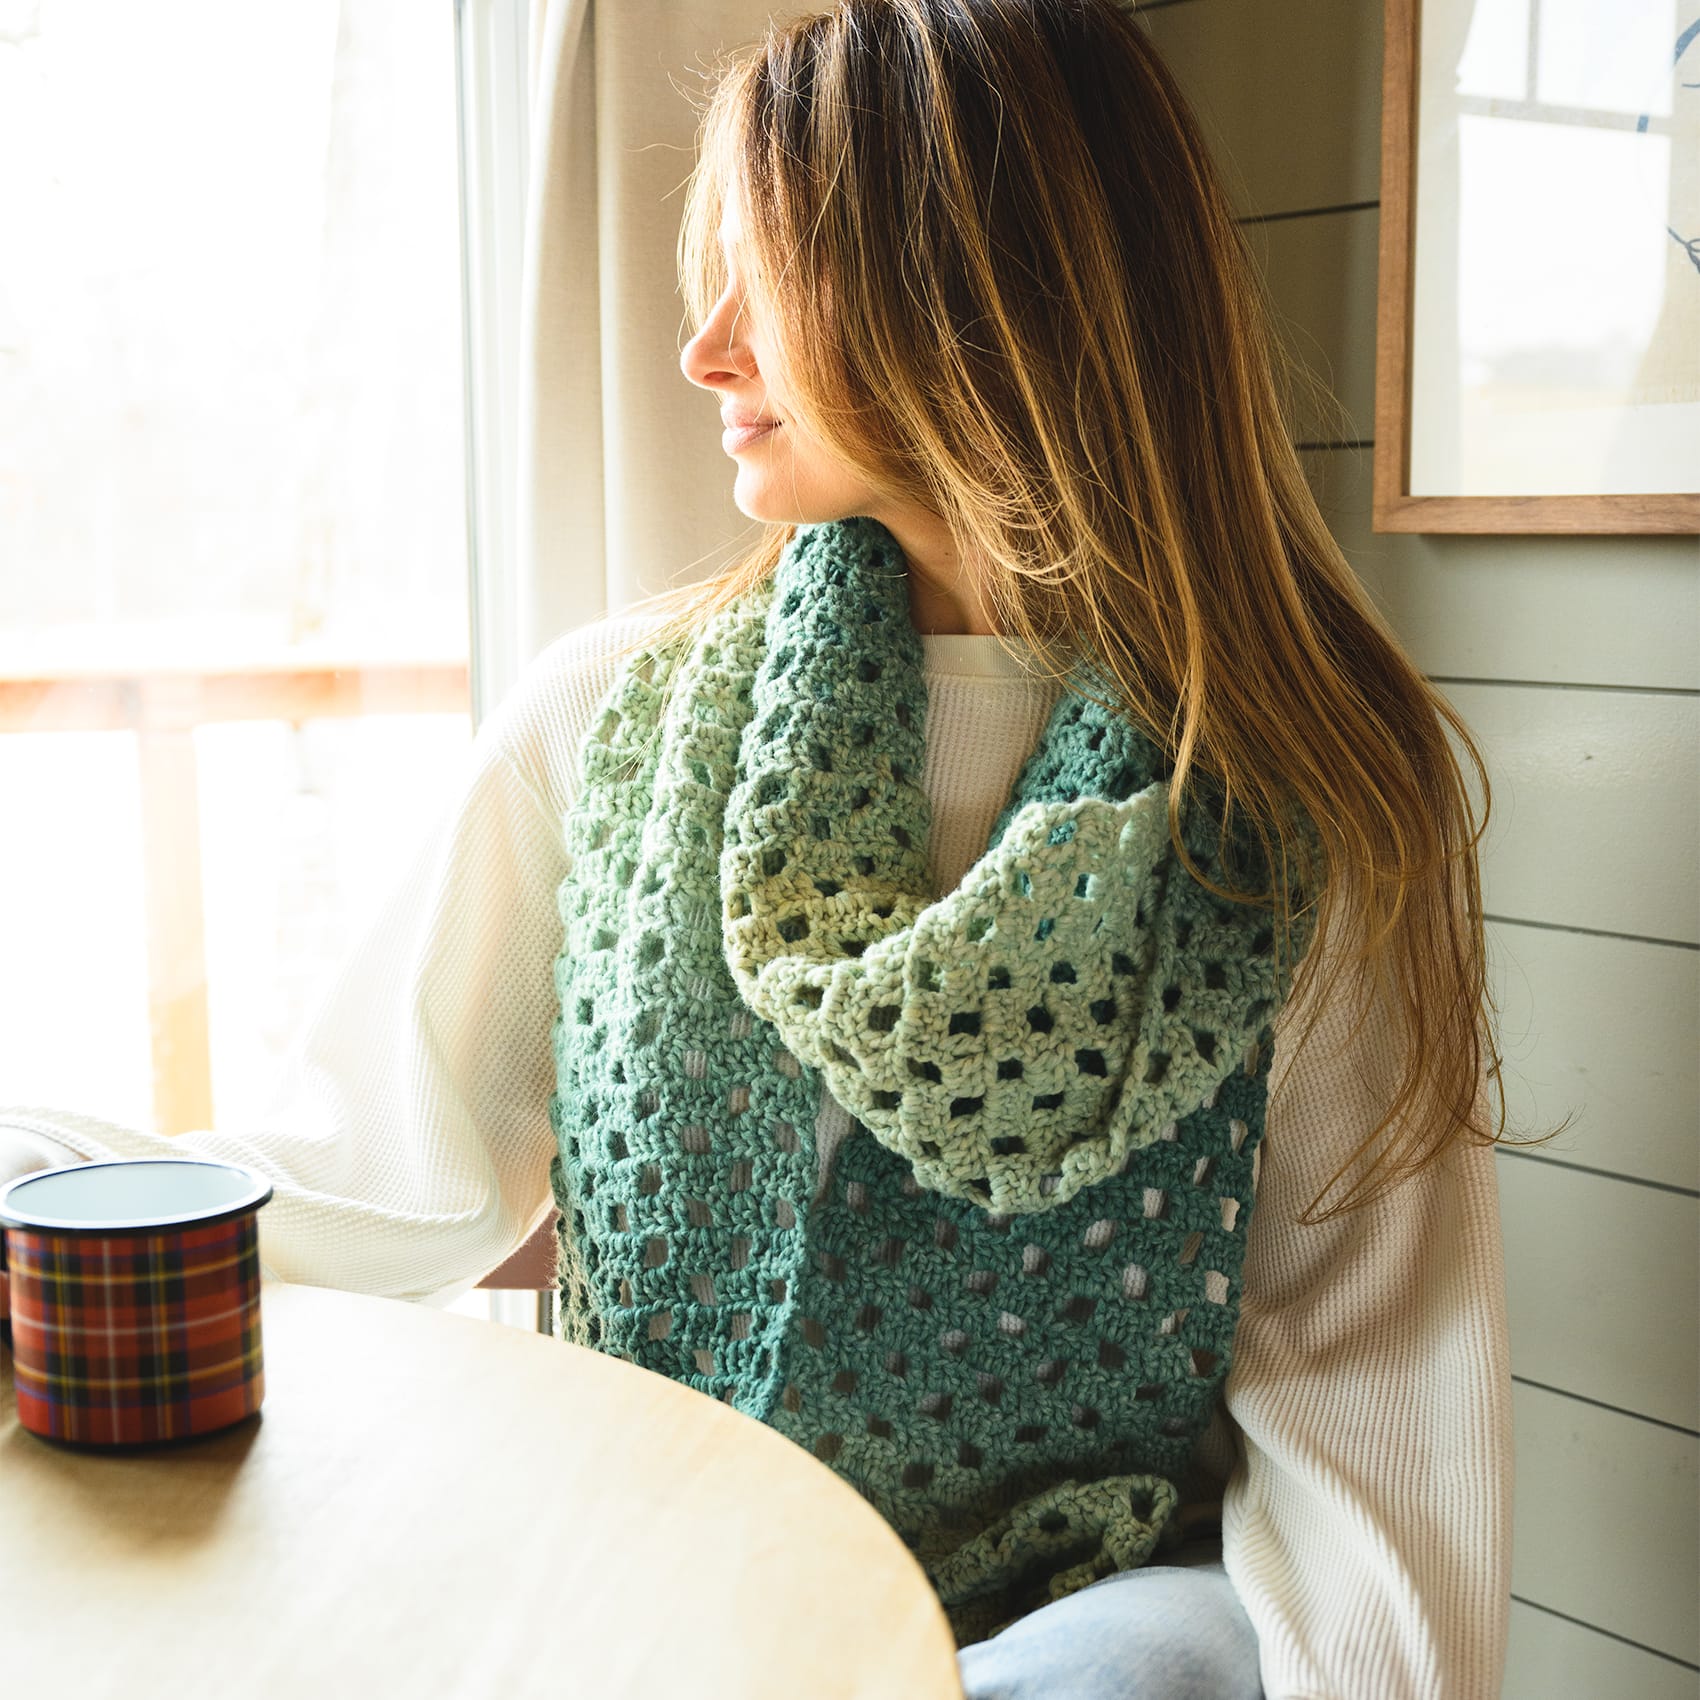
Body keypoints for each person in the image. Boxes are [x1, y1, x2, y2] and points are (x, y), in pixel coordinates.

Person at [1, 3, 1524, 1695]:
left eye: (768, 280)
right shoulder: (608, 725)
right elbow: (371, 1176)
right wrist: (30, 1174)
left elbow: (1370, 1400)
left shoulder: (1296, 796)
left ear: (966, 295)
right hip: (669, 1581)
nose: (704, 350)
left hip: (1095, 1620)